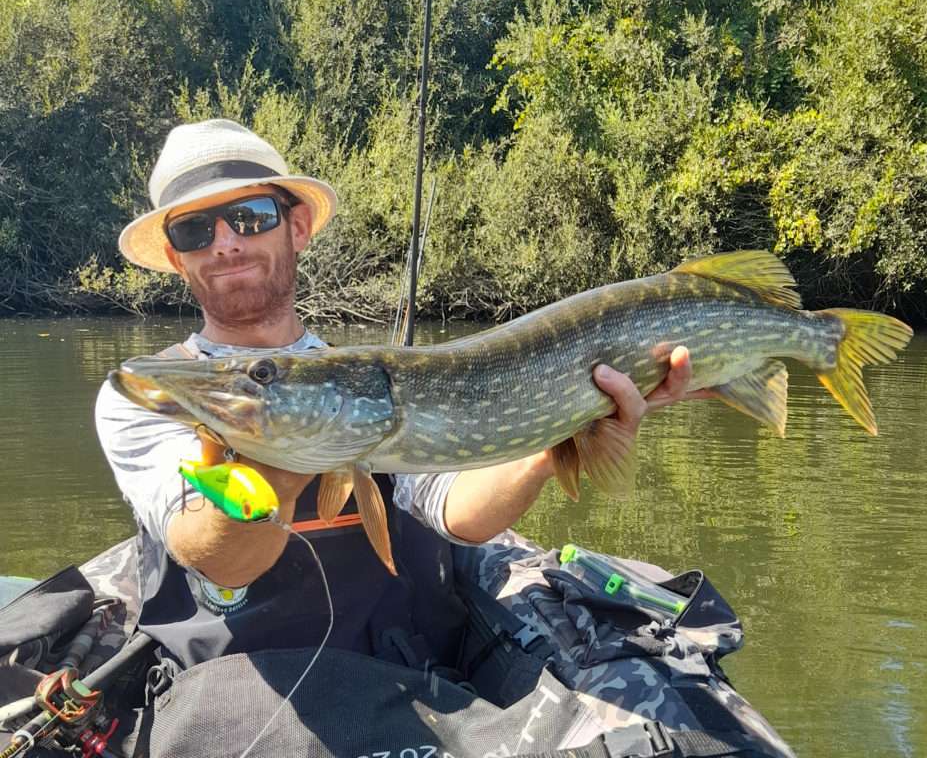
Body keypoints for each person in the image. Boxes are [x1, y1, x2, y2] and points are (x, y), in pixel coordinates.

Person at [94, 119, 706, 673]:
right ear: (176, 257)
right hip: (238, 688)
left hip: (396, 670)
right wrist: (282, 454)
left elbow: (458, 514)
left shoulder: (368, 384)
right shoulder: (157, 393)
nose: (226, 242)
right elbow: (216, 558)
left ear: (296, 226)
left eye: (251, 216)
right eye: (195, 229)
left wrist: (555, 439)